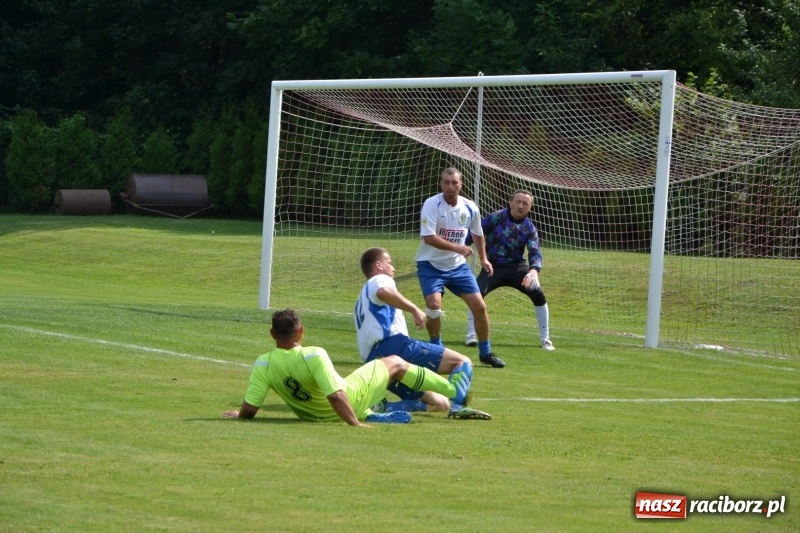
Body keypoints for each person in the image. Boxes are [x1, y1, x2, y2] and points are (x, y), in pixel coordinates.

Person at [222, 309, 469, 426]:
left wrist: (239, 415)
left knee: (373, 375)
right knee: (394, 362)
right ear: (301, 332)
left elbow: (250, 408)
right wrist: (354, 423)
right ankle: (452, 390)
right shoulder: (313, 355)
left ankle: (373, 412)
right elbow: (336, 394)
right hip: (349, 402)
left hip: (314, 416)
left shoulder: (263, 363)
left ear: (271, 334)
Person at [355, 247, 491, 420]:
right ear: (379, 265)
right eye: (390, 263)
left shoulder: (361, 297)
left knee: (439, 404)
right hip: (394, 347)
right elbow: (384, 292)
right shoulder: (379, 279)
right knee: (461, 362)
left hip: (374, 361)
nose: (393, 268)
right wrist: (414, 309)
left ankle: (383, 406)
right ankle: (458, 407)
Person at [415, 167, 505, 368]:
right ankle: (436, 351)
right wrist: (457, 247)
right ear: (441, 184)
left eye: (454, 182)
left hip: (457, 268)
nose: (450, 186)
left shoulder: (470, 207)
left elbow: (478, 234)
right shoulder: (432, 204)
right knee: (433, 305)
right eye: (446, 182)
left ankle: (485, 352)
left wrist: (484, 259)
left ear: (461, 184)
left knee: (479, 306)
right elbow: (428, 237)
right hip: (431, 265)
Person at [464, 190, 554, 351]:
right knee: (475, 293)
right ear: (510, 202)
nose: (520, 206)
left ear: (530, 208)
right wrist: (462, 247)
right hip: (492, 266)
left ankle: (546, 340)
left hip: (517, 268)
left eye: (525, 203)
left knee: (538, 294)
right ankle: (471, 335)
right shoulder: (496, 217)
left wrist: (534, 271)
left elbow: (535, 252)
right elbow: (475, 232)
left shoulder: (530, 228)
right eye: (518, 201)